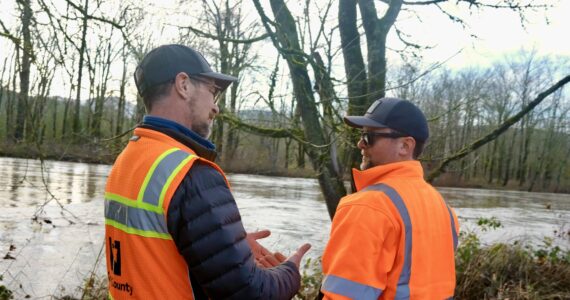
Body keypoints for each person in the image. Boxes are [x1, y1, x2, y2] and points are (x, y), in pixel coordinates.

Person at [104, 44, 310, 299]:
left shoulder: (128, 159)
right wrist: (290, 271)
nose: (216, 108)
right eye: (213, 92)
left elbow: (153, 251)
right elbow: (251, 294)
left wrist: (221, 244)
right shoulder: (191, 174)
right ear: (183, 85)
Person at [319, 98, 459, 299]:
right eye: (361, 135)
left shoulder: (368, 206)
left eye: (369, 137)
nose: (360, 143)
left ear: (404, 145)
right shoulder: (443, 208)